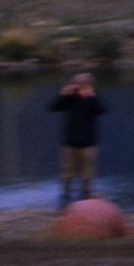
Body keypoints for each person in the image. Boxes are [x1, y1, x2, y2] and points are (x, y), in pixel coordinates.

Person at [50, 72, 107, 203]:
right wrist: (63, 95)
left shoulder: (92, 99)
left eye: (83, 84)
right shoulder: (70, 99)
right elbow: (54, 107)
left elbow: (102, 110)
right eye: (77, 83)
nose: (79, 87)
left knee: (88, 172)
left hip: (88, 143)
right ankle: (65, 195)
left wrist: (91, 96)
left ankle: (86, 195)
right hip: (70, 142)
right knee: (67, 171)